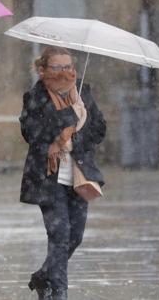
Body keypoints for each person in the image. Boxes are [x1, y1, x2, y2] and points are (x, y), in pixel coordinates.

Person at [19, 46, 106, 300]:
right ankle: (59, 293)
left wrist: (75, 137)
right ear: (43, 70)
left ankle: (43, 276)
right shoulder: (35, 97)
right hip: (48, 177)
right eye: (56, 67)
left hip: (78, 174)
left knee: (75, 236)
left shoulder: (83, 93)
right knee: (59, 234)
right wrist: (70, 117)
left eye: (68, 67)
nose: (63, 73)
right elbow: (32, 133)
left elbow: (99, 129)